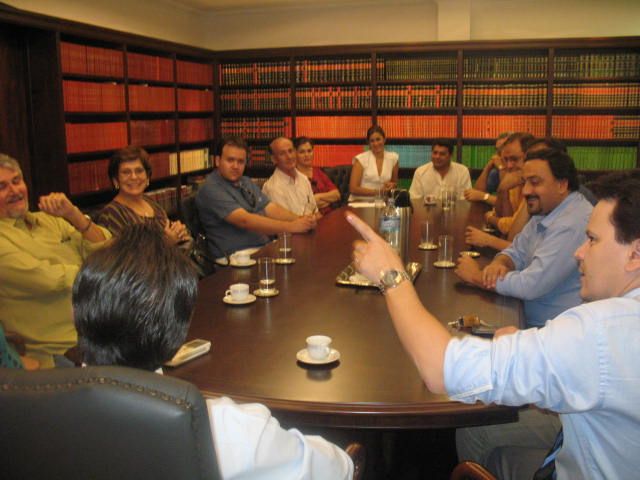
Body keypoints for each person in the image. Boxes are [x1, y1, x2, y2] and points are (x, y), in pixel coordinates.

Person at [347, 169, 640, 479]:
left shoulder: (602, 330)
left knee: (476, 421)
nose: (579, 253)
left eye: (592, 240)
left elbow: (441, 370)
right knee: (479, 426)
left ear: (635, 254)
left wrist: (391, 275)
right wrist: (541, 357)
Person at [72, 223, 353, 479]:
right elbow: (337, 468)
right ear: (177, 336)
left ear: (78, 313)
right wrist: (348, 455)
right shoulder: (231, 429)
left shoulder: (46, 416)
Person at [454, 147, 593, 328]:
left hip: (552, 330)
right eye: (524, 182)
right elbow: (516, 250)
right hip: (526, 316)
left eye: (534, 182)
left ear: (562, 185)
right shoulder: (547, 210)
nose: (525, 191)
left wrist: (477, 277)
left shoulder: (571, 223)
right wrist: (499, 263)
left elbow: (531, 284)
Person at [0, 153, 110, 368]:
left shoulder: (49, 219)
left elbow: (107, 248)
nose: (14, 191)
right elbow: (49, 280)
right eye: (2, 186)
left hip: (101, 330)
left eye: (16, 181)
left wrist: (74, 214)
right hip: (60, 353)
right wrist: (103, 269)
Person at [196, 136, 316, 260]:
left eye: (240, 161)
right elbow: (244, 220)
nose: (235, 166)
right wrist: (292, 227)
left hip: (262, 249)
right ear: (217, 161)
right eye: (230, 160)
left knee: (307, 257)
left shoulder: (245, 181)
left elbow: (270, 208)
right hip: (235, 256)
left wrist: (302, 220)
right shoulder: (211, 188)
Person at [96, 146, 192, 250]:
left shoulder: (151, 202)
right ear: (115, 180)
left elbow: (169, 234)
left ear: (147, 177)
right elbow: (123, 256)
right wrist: (166, 242)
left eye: (139, 171)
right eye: (126, 172)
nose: (134, 177)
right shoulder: (111, 214)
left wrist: (179, 232)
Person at [262, 137, 321, 217]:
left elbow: (316, 212)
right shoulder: (272, 188)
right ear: (274, 159)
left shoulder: (304, 179)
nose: (289, 157)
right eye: (282, 154)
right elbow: (288, 222)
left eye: (290, 151)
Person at [348, 125, 398, 201]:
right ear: (368, 143)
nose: (375, 144)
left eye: (378, 139)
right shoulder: (360, 159)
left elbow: (394, 184)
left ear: (384, 139)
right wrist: (378, 192)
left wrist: (392, 186)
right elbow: (353, 189)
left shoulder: (393, 158)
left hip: (383, 202)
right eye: (372, 141)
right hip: (360, 202)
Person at [295, 137, 340, 215]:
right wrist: (327, 200)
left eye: (309, 151)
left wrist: (318, 197)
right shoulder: (293, 175)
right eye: (302, 152)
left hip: (330, 214)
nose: (307, 155)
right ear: (295, 154)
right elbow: (301, 205)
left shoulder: (318, 171)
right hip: (309, 218)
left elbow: (336, 195)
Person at [463, 132, 511, 205]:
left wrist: (484, 197)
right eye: (497, 150)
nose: (499, 153)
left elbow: (510, 203)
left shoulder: (520, 170)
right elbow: (476, 193)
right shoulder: (495, 172)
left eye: (503, 148)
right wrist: (488, 167)